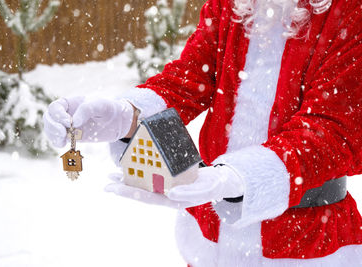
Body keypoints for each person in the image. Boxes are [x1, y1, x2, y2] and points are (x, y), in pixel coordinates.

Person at [43, 0, 362, 265]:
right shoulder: (231, 4)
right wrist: (126, 114)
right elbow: (190, 78)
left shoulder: (350, 11)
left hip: (306, 241)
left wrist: (241, 178)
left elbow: (333, 130)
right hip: (212, 233)